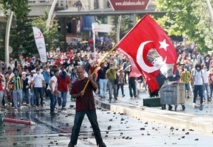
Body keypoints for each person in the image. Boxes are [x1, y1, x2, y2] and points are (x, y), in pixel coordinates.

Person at [68, 66, 106, 147]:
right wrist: (79, 94)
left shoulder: (88, 80)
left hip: (90, 106)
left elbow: (96, 87)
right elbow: (72, 95)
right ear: (77, 73)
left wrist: (91, 80)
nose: (80, 74)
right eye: (78, 72)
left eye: (81, 72)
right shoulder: (75, 83)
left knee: (95, 125)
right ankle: (72, 143)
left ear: (83, 72)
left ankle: (100, 142)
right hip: (80, 107)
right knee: (76, 126)